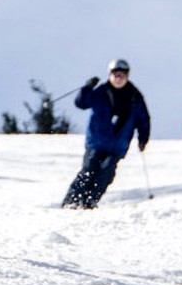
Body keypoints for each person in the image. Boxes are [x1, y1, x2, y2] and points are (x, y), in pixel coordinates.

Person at [61, 59, 150, 209]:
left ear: (127, 76)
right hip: (97, 141)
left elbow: (143, 119)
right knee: (89, 169)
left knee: (106, 172)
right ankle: (72, 201)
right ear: (110, 74)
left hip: (117, 144)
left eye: (122, 75)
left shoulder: (135, 96)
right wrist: (87, 88)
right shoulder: (101, 92)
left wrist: (143, 138)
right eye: (115, 74)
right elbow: (81, 103)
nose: (118, 78)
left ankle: (89, 201)